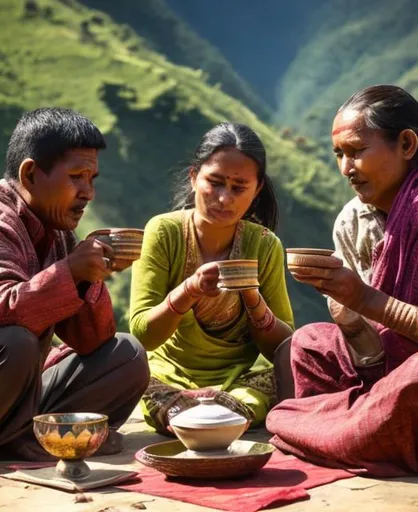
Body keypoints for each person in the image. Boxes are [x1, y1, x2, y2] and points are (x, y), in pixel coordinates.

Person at [267, 85, 418, 476]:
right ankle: (357, 425)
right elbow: (376, 341)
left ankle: (325, 427)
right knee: (310, 343)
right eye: (339, 155)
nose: (346, 167)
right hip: (393, 367)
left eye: (357, 151)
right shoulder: (362, 219)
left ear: (407, 144)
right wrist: (349, 317)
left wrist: (362, 297)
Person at [0, 108, 150, 461]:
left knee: (126, 355)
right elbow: (5, 309)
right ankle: (26, 439)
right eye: (76, 177)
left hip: (17, 395)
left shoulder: (58, 232)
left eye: (92, 178)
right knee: (16, 341)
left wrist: (89, 278)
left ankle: (28, 435)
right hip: (9, 362)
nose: (88, 193)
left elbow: (92, 341)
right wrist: (70, 271)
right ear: (31, 173)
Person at [130, 122, 294, 434]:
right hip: (168, 377)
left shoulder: (264, 244)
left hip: (241, 381)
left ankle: (219, 414)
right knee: (133, 374)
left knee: (293, 367)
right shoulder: (163, 232)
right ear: (194, 178)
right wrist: (188, 290)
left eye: (238, 188)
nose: (224, 199)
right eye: (215, 183)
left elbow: (283, 348)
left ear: (257, 190)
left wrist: (253, 300)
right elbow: (142, 334)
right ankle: (215, 418)